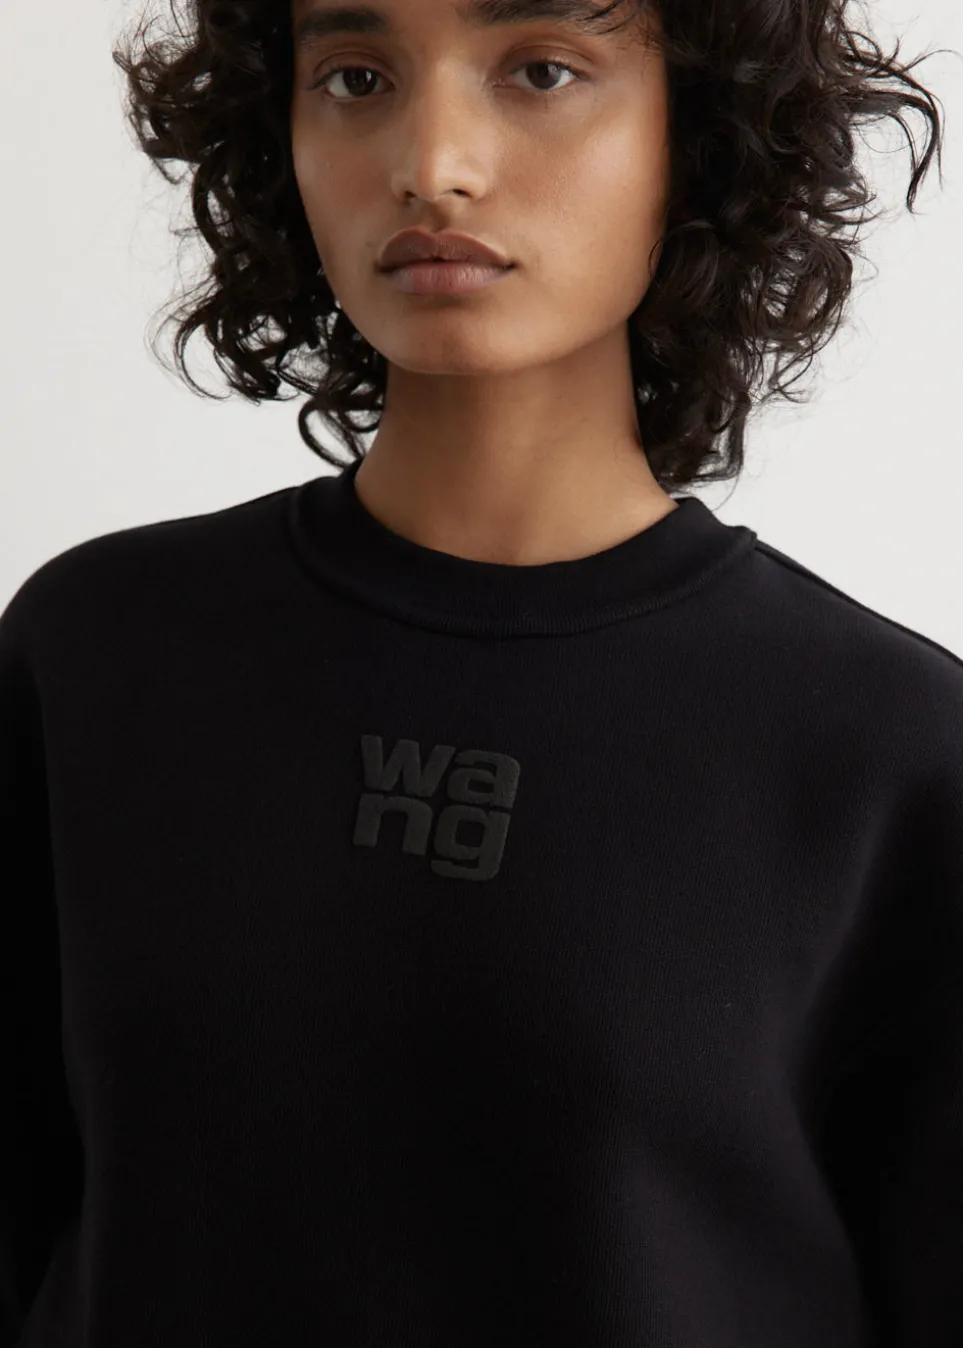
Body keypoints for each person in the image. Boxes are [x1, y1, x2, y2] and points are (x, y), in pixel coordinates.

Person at [2, 1, 960, 1345]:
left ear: (695, 132)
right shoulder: (96, 656)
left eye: (543, 71)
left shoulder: (889, 751)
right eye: (355, 78)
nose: (432, 163)